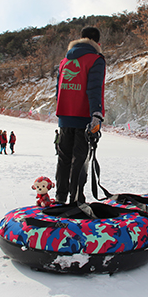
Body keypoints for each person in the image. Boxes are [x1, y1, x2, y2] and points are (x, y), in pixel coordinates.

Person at [55, 27, 105, 204]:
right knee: (80, 159)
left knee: (64, 158)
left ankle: (60, 197)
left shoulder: (64, 61)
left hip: (65, 115)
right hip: (84, 116)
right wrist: (96, 114)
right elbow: (94, 88)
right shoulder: (95, 59)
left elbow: (57, 89)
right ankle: (76, 199)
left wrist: (62, 109)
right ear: (97, 43)